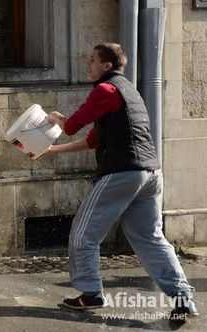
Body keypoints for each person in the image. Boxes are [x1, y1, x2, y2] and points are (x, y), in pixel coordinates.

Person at [44, 43, 198, 322]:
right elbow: (92, 140)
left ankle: (90, 293)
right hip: (150, 173)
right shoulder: (129, 92)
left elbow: (71, 127)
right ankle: (183, 298)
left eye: (92, 60)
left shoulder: (105, 90)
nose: (87, 64)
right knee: (150, 237)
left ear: (107, 66)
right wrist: (52, 151)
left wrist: (57, 119)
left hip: (121, 173)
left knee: (82, 234)